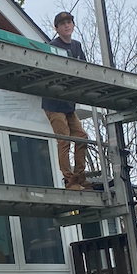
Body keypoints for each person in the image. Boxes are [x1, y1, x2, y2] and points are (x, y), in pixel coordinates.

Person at [43, 10, 89, 189]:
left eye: (69, 22)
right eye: (62, 24)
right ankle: (70, 181)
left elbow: (85, 69)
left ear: (73, 25)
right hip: (53, 102)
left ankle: (80, 177)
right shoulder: (53, 47)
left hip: (68, 103)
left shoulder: (76, 46)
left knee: (82, 137)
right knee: (64, 139)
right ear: (56, 28)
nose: (67, 26)